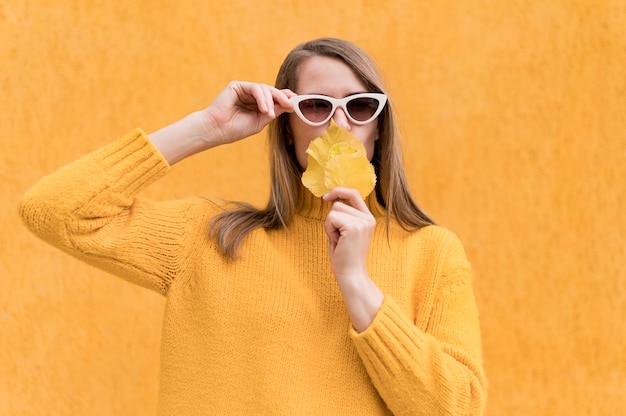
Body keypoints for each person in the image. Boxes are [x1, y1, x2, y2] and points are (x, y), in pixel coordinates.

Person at [19, 38, 487, 415]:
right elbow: (54, 210)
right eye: (317, 107)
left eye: (360, 107)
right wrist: (204, 128)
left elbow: (457, 408)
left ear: (379, 127)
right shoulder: (208, 238)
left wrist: (357, 284)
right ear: (287, 127)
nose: (339, 124)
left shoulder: (432, 252)